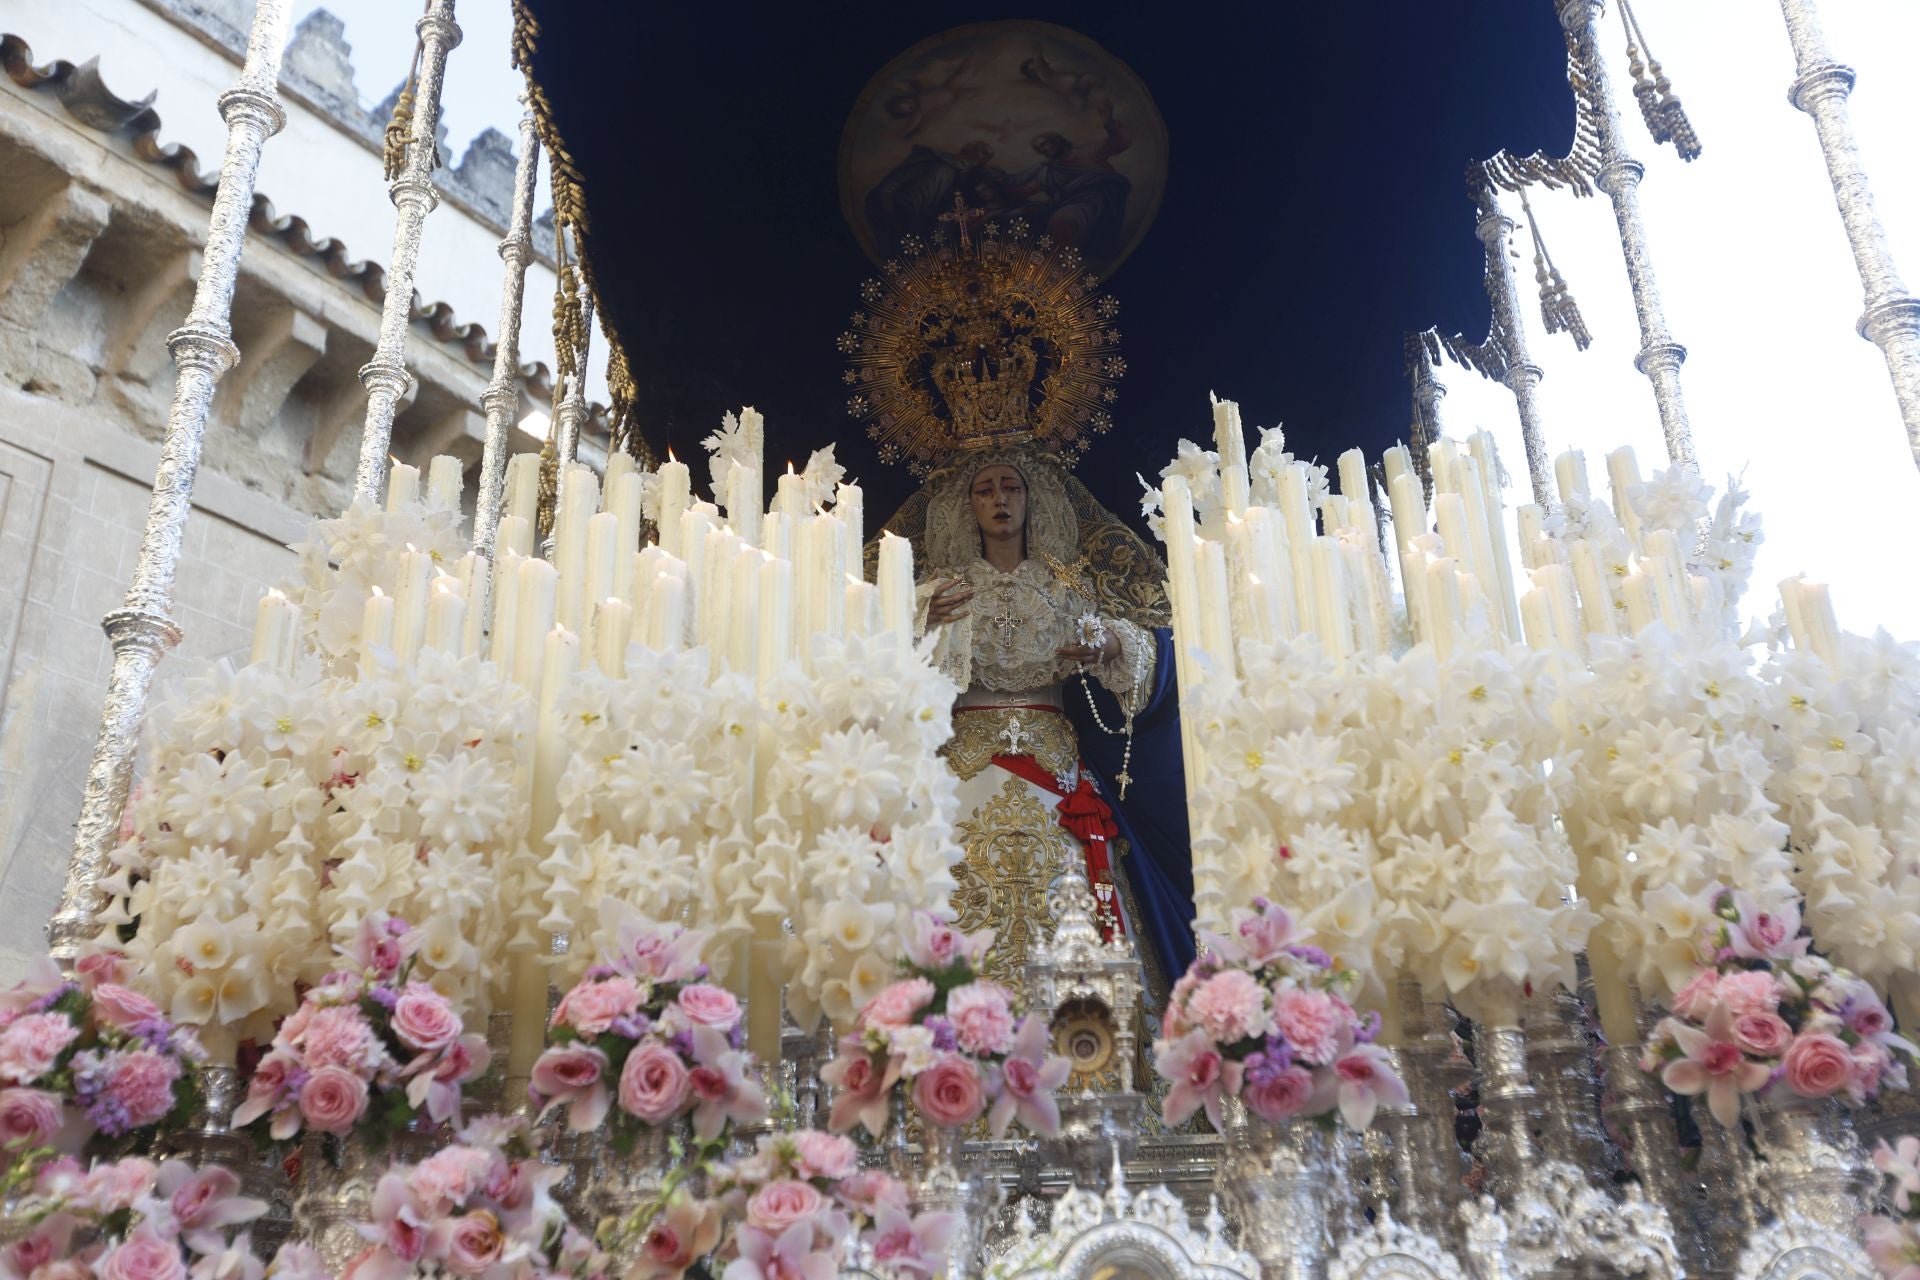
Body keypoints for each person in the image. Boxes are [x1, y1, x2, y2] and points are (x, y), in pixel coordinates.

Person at [914, 453, 1193, 1001]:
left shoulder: (1066, 584)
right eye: (984, 489)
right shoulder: (942, 590)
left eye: (1011, 487)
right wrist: (919, 620)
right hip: (962, 765)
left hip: (1054, 763)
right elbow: (887, 659)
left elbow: (1139, 645)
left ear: (1031, 500)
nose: (999, 499)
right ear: (966, 507)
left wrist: (1108, 645)